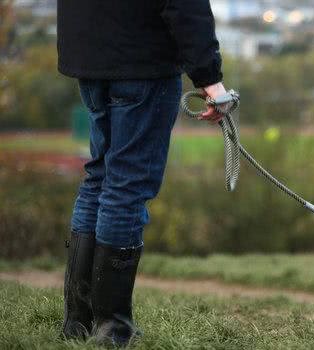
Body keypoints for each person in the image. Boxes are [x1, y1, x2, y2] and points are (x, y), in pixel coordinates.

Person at [56, 0, 226, 346]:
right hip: (143, 60)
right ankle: (112, 327)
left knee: (99, 179)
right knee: (126, 187)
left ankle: (79, 322)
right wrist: (209, 77)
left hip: (89, 55)